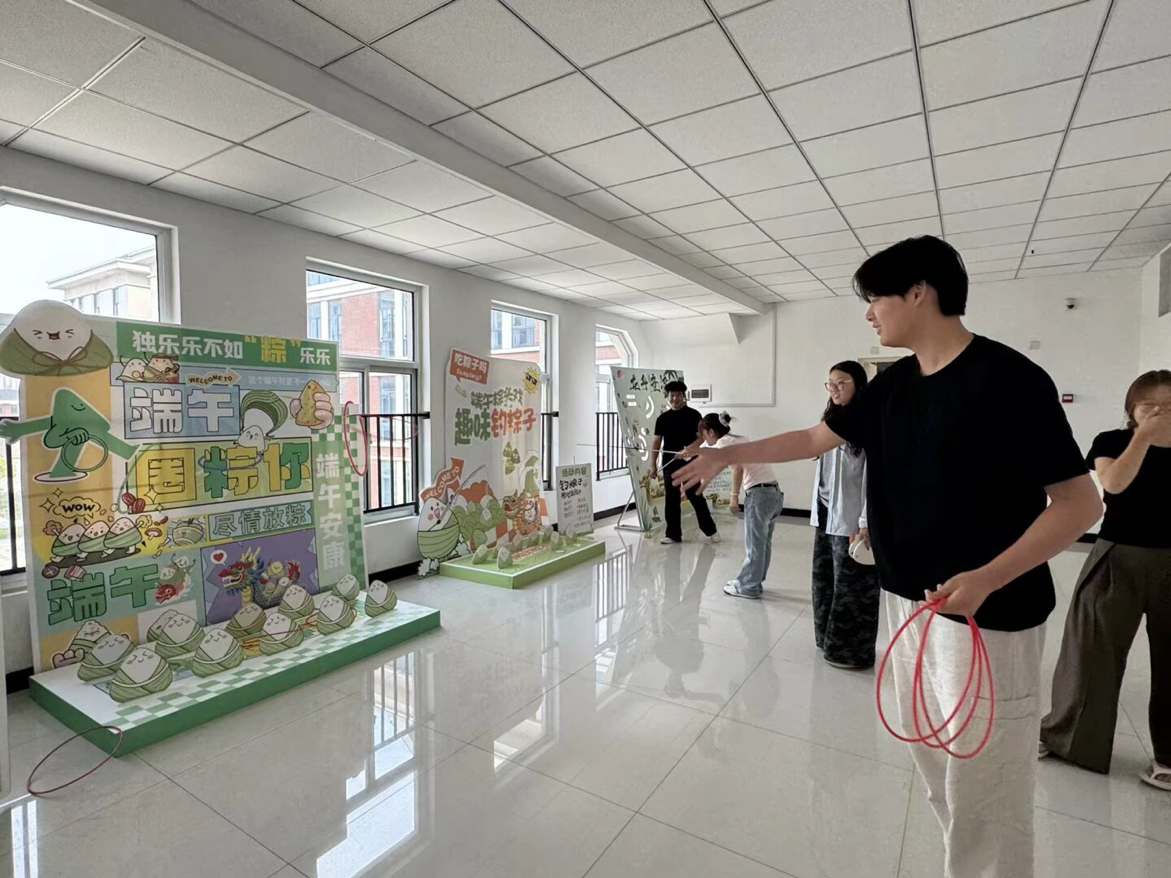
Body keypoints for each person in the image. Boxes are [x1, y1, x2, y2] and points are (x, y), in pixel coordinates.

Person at [672, 235, 1102, 878]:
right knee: (935, 765)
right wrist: (727, 453)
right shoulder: (890, 384)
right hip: (906, 602)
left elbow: (1079, 504)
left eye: (876, 298)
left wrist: (989, 577)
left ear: (919, 293)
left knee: (986, 786)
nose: (870, 314)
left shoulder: (1010, 379)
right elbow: (815, 437)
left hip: (988, 614)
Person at [1040, 369, 1171, 790]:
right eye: (1149, 405)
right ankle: (1069, 740)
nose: (1160, 413)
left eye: (1169, 406)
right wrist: (1143, 438)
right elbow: (1114, 484)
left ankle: (1168, 757)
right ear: (1132, 409)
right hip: (1116, 554)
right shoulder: (1112, 441)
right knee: (1091, 648)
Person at [811, 361, 882, 669]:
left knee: (853, 588)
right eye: (831, 383)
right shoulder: (830, 421)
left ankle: (850, 653)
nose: (835, 388)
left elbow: (873, 477)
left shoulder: (869, 422)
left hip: (852, 520)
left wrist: (866, 521)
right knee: (824, 582)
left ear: (859, 384)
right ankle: (825, 639)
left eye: (842, 382)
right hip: (826, 516)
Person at [696, 412, 783, 599]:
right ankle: (754, 582)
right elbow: (709, 448)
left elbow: (737, 468)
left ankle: (748, 586)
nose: (704, 440)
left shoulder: (723, 443)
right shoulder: (738, 438)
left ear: (711, 432)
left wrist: (734, 497)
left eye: (704, 435)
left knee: (754, 545)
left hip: (759, 496)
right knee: (763, 544)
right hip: (774, 494)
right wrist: (691, 452)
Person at [652, 380, 718, 545]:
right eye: (672, 395)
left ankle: (710, 531)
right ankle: (673, 534)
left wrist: (689, 449)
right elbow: (656, 442)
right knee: (671, 498)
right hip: (670, 463)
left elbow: (702, 438)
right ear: (667, 396)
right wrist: (653, 464)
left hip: (690, 462)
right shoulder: (662, 419)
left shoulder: (694, 415)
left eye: (678, 395)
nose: (674, 398)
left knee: (695, 495)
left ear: (683, 396)